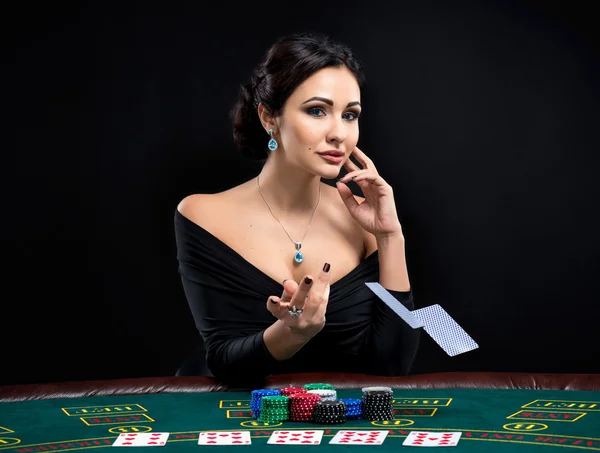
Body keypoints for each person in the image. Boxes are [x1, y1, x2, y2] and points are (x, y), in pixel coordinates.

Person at [174, 32, 419, 385]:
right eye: (317, 111)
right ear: (269, 117)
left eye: (350, 115)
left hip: (341, 425)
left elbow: (393, 366)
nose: (339, 133)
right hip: (234, 419)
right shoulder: (201, 214)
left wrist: (390, 237)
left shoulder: (368, 219)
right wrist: (291, 334)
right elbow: (224, 361)